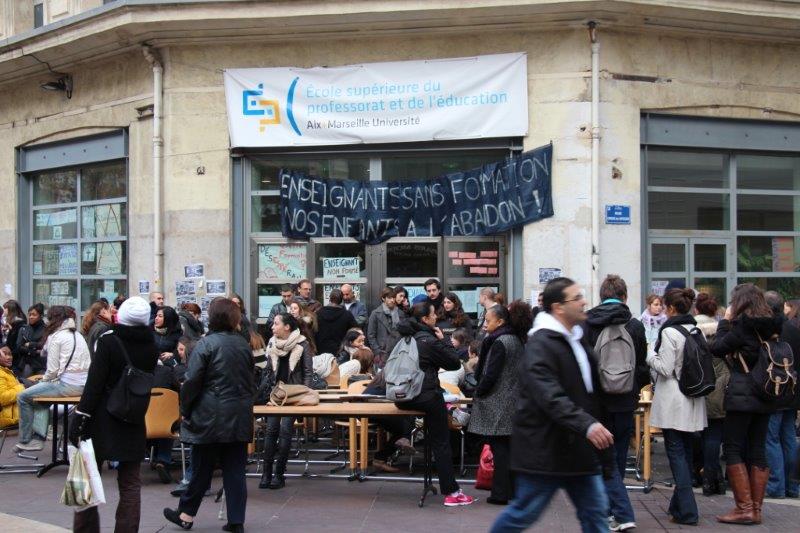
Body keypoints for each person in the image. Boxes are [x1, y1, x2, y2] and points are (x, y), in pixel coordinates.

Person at [490, 277, 612, 532]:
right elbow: (549, 395)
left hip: (578, 450)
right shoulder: (541, 345)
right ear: (558, 307)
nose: (584, 302)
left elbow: (588, 393)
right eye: (576, 298)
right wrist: (587, 425)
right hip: (545, 450)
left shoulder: (576, 339)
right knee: (522, 514)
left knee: (595, 515)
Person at [163, 298, 255, 533]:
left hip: (209, 415)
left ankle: (186, 514)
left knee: (201, 468)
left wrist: (185, 410)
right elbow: (251, 381)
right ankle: (236, 521)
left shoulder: (206, 345)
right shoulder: (244, 345)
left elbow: (192, 382)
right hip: (238, 414)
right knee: (235, 470)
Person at [70, 297, 158, 532]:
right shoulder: (152, 346)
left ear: (123, 316)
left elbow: (94, 384)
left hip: (101, 417)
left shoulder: (109, 341)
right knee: (130, 483)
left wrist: (81, 415)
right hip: (132, 417)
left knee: (88, 477)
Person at [710, 283, 781, 525]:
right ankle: (756, 509)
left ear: (740, 302)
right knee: (758, 448)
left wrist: (724, 322)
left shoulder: (742, 327)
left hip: (742, 395)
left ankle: (744, 508)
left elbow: (718, 348)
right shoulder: (773, 325)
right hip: (765, 395)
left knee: (732, 448)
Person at [584, 274, 649, 532]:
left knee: (599, 458)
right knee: (619, 456)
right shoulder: (634, 325)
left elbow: (585, 365)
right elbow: (642, 366)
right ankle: (615, 511)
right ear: (624, 296)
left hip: (597, 403)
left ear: (601, 296)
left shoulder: (589, 323)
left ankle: (612, 511)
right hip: (624, 401)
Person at [394, 302, 475, 507]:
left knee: (433, 435)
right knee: (441, 442)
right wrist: (444, 341)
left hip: (402, 396)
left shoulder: (406, 337)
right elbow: (453, 363)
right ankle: (452, 492)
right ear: (425, 320)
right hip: (426, 395)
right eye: (432, 315)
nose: (435, 317)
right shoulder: (428, 340)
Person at [647, 288, 706, 525]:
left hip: (674, 400)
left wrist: (649, 353)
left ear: (670, 308)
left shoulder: (670, 331)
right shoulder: (695, 329)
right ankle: (678, 508)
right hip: (693, 398)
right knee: (686, 452)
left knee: (676, 453)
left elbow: (664, 367)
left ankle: (689, 511)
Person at [469, 301, 532, 505]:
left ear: (501, 320)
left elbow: (490, 375)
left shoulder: (498, 341)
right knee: (509, 448)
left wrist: (479, 391)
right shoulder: (516, 339)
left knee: (500, 449)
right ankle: (513, 491)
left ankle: (500, 493)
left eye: (488, 320)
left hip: (499, 402)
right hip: (514, 399)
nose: (485, 324)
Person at [15, 306, 90, 452]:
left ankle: (26, 440)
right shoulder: (78, 335)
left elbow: (52, 371)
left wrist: (42, 382)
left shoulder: (57, 337)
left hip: (67, 385)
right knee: (41, 399)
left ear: (52, 320)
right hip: (83, 385)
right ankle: (38, 438)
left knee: (23, 396)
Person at [258, 313, 313, 490]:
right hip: (275, 395)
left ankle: (279, 474)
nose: (272, 327)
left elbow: (308, 373)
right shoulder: (272, 343)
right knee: (271, 431)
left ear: (287, 327)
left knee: (285, 431)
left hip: (293, 395)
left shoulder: (302, 343)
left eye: (276, 324)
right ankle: (266, 474)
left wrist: (303, 394)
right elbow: (268, 371)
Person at [764, 291, 800, 499]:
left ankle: (776, 485)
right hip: (792, 392)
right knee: (788, 438)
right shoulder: (794, 329)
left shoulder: (769, 330)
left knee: (771, 439)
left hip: (774, 390)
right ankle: (792, 486)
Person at [693, 292, 728, 497]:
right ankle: (714, 479)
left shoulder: (692, 330)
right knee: (714, 434)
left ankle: (702, 476)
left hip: (700, 384)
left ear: (696, 309)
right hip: (720, 385)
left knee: (700, 434)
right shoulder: (722, 329)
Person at [314, 289, 357, 356]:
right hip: (340, 352)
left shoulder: (318, 313)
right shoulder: (347, 315)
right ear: (341, 300)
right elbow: (355, 331)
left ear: (330, 298)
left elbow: (313, 332)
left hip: (321, 351)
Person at [367, 287, 401, 368]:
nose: (392, 300)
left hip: (397, 353)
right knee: (380, 378)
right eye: (389, 298)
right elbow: (371, 335)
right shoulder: (375, 313)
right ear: (383, 298)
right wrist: (378, 352)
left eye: (393, 297)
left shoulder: (400, 313)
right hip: (382, 353)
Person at [15, 303, 46, 376]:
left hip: (41, 365)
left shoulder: (46, 329)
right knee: (24, 384)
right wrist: (34, 351)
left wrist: (30, 344)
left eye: (34, 315)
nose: (31, 317)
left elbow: (44, 345)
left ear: (41, 316)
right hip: (26, 363)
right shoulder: (24, 329)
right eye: (29, 314)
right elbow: (19, 347)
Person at [0, 346, 23, 427]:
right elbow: (2, 398)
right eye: (5, 354)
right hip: (6, 417)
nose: (9, 357)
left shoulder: (6, 371)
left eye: (10, 354)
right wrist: (21, 388)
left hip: (13, 413)